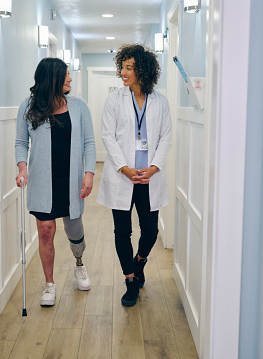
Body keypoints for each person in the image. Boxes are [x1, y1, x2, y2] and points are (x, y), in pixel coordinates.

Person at [15, 57, 96, 306]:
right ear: (52, 80)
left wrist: (89, 173)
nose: (70, 79)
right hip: (41, 180)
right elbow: (21, 142)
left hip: (70, 180)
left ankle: (79, 264)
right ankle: (49, 283)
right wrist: (22, 167)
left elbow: (89, 143)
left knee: (74, 228)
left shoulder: (79, 106)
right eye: (66, 76)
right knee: (46, 231)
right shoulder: (28, 107)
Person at [97, 44, 172, 306]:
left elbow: (165, 137)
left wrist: (154, 167)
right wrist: (124, 168)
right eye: (123, 67)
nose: (123, 72)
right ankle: (130, 281)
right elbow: (108, 135)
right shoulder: (114, 100)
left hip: (149, 178)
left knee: (150, 231)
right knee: (122, 231)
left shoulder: (160, 101)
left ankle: (139, 262)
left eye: (129, 67)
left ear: (143, 70)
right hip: (123, 176)